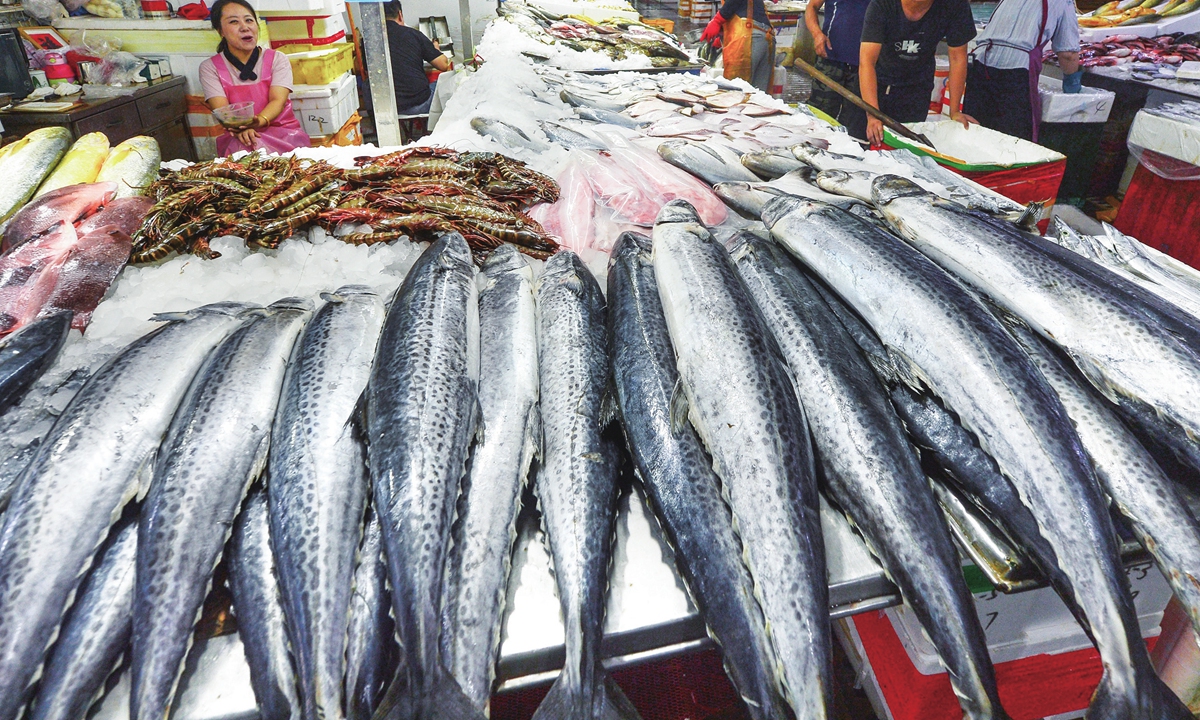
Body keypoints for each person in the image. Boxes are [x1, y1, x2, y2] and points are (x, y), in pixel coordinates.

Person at [199, 0, 310, 156]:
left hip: (283, 133)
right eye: (234, 22)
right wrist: (243, 128)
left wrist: (259, 121)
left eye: (249, 20)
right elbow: (223, 111)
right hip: (239, 136)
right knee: (242, 153)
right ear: (220, 31)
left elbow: (278, 100)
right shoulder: (209, 68)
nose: (245, 27)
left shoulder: (278, 59)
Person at [858, 0, 976, 145]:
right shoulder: (882, 4)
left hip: (917, 87)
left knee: (907, 150)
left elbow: (958, 58)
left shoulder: (955, 5)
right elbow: (867, 63)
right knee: (863, 144)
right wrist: (872, 115)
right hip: (876, 85)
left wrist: (955, 111)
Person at [963, 0, 1081, 142]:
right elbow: (1068, 54)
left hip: (980, 64)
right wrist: (1072, 82)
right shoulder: (1062, 2)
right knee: (1014, 142)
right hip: (1016, 70)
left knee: (974, 135)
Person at [805, 0, 870, 139]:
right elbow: (812, 6)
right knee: (818, 117)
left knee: (853, 125)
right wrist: (817, 34)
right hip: (830, 58)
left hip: (865, 67)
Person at [384, 0, 451, 116]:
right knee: (447, 81)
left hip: (384, 108)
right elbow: (444, 65)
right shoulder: (413, 34)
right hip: (419, 104)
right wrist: (436, 50)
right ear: (400, 14)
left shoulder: (369, 41)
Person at [700, 0, 775, 93]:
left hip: (750, 39)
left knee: (736, 95)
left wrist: (717, 20)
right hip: (766, 38)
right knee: (760, 97)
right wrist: (724, 35)